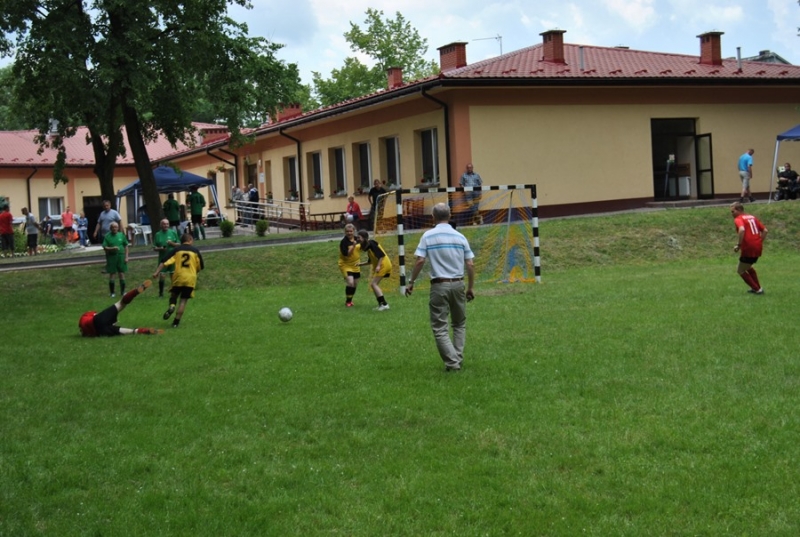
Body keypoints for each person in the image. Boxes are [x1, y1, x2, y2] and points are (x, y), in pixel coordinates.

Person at [405, 202, 475, 372]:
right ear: (450, 216)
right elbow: (470, 264)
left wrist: (411, 282)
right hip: (458, 283)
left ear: (433, 217)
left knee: (439, 327)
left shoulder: (428, 236)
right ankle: (457, 359)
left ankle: (452, 363)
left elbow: (420, 260)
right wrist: (470, 287)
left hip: (439, 285)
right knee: (459, 324)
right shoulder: (460, 237)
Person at [153, 233, 204, 328]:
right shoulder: (195, 251)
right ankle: (176, 323)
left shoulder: (176, 250)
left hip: (178, 277)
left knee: (174, 295)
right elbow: (200, 266)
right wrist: (194, 271)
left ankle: (172, 306)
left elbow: (164, 261)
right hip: (190, 279)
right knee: (183, 301)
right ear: (190, 239)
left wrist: (156, 272)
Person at [78, 280, 163, 337]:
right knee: (121, 303)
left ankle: (141, 331)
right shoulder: (87, 316)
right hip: (97, 322)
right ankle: (135, 292)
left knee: (122, 330)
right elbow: (96, 316)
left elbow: (87, 332)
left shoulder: (85, 330)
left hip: (100, 332)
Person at [730, 201, 767, 294]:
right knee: (748, 267)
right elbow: (765, 230)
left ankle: (757, 289)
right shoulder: (752, 217)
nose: (732, 214)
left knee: (740, 270)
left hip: (749, 247)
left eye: (733, 211)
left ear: (739, 210)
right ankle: (757, 288)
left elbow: (742, 229)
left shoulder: (738, 219)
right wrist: (759, 242)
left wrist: (739, 245)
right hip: (757, 246)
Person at [357, 230, 391, 311]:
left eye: (359, 237)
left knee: (374, 284)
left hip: (383, 265)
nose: (357, 239)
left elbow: (381, 255)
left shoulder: (372, 243)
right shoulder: (369, 248)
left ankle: (384, 304)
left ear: (364, 238)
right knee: (374, 285)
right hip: (383, 265)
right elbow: (370, 261)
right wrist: (360, 264)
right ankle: (381, 304)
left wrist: (378, 266)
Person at [152, 218, 180, 297]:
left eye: (167, 224)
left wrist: (172, 243)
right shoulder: (157, 234)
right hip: (163, 258)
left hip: (173, 258)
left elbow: (179, 244)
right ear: (161, 225)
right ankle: (161, 294)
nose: (166, 225)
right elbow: (154, 248)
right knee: (162, 275)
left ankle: (174, 292)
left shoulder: (173, 232)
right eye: (164, 224)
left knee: (173, 275)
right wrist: (160, 248)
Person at [102, 221, 129, 297]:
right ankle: (112, 293)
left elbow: (126, 246)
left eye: (116, 227)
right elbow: (105, 247)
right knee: (112, 274)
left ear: (118, 228)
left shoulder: (121, 235)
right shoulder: (107, 236)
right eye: (113, 227)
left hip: (121, 256)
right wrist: (112, 248)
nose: (114, 228)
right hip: (112, 257)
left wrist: (126, 257)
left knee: (121, 273)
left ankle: (123, 292)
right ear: (110, 228)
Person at [338, 223, 362, 307]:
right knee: (350, 282)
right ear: (345, 232)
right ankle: (348, 302)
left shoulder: (357, 239)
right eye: (347, 231)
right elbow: (347, 254)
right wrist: (353, 246)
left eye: (351, 231)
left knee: (355, 284)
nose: (349, 233)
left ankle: (350, 300)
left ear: (354, 231)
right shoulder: (343, 242)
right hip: (346, 265)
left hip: (356, 264)